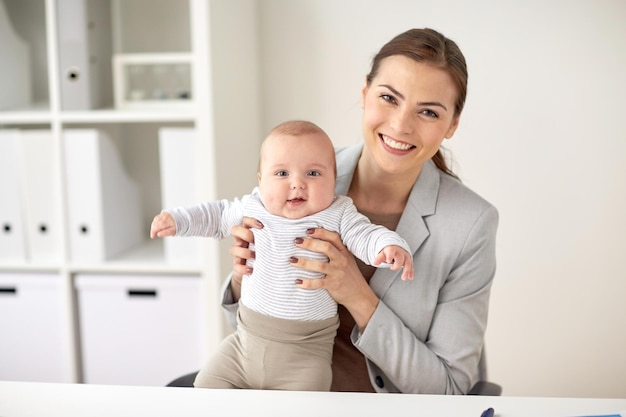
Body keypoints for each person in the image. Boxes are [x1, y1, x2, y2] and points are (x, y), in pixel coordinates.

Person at [222, 28, 499, 394]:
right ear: (365, 94)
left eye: (429, 112)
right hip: (282, 398)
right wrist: (244, 278)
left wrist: (357, 295)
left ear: (452, 125)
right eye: (388, 98)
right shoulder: (299, 174)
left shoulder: (469, 224)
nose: (401, 125)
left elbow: (449, 392)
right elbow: (242, 337)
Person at [150, 120, 414, 391]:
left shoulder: (338, 213)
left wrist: (388, 246)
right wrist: (178, 220)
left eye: (313, 173)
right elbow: (214, 215)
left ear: (334, 180)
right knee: (205, 387)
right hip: (243, 348)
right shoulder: (254, 206)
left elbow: (366, 235)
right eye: (282, 173)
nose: (297, 183)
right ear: (261, 179)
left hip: (305, 357)